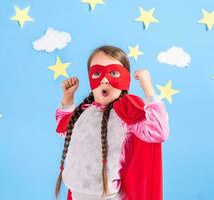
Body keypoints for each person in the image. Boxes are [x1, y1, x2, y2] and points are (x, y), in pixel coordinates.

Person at [54, 45, 170, 200]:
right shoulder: (84, 111)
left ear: (126, 79)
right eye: (97, 73)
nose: (104, 80)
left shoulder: (125, 115)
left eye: (114, 73)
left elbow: (158, 131)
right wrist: (68, 98)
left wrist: (147, 87)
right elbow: (64, 129)